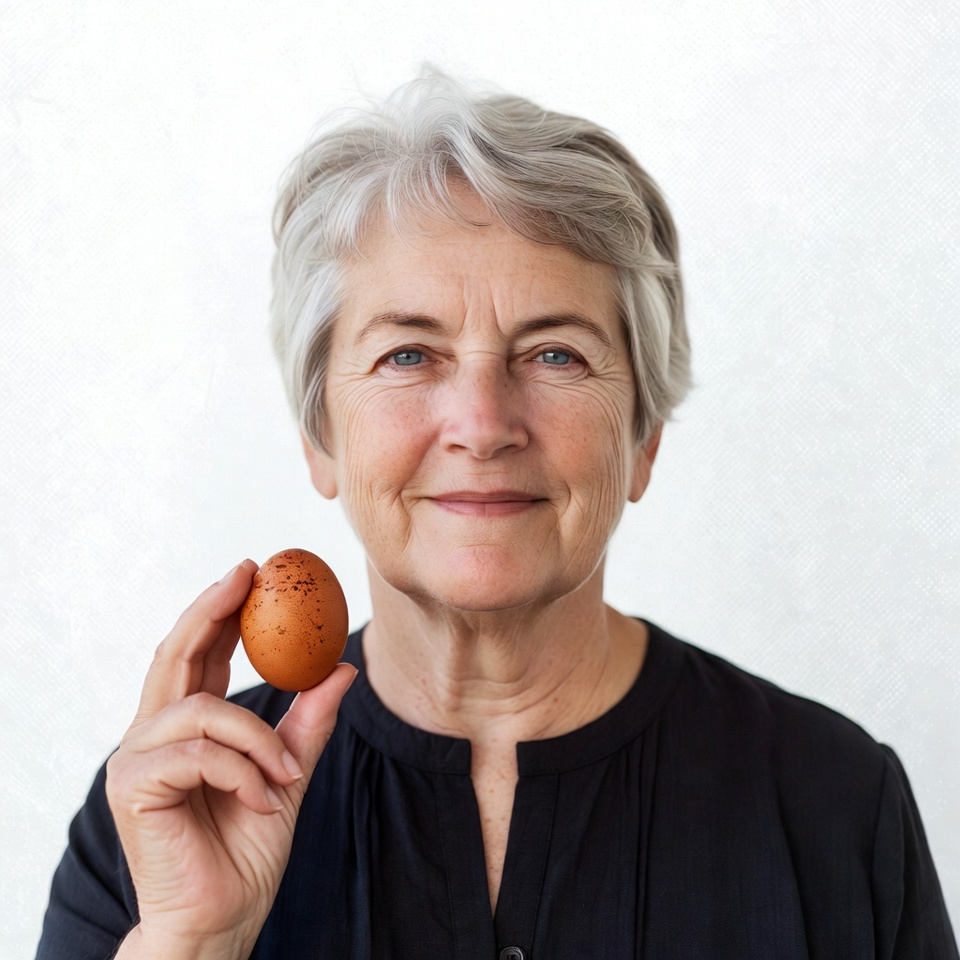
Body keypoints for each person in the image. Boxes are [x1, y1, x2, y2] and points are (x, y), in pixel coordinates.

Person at [37, 72, 957, 960]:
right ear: (322, 438)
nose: (481, 425)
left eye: (555, 354)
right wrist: (192, 945)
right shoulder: (163, 819)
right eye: (408, 355)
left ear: (643, 437)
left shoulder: (838, 807)